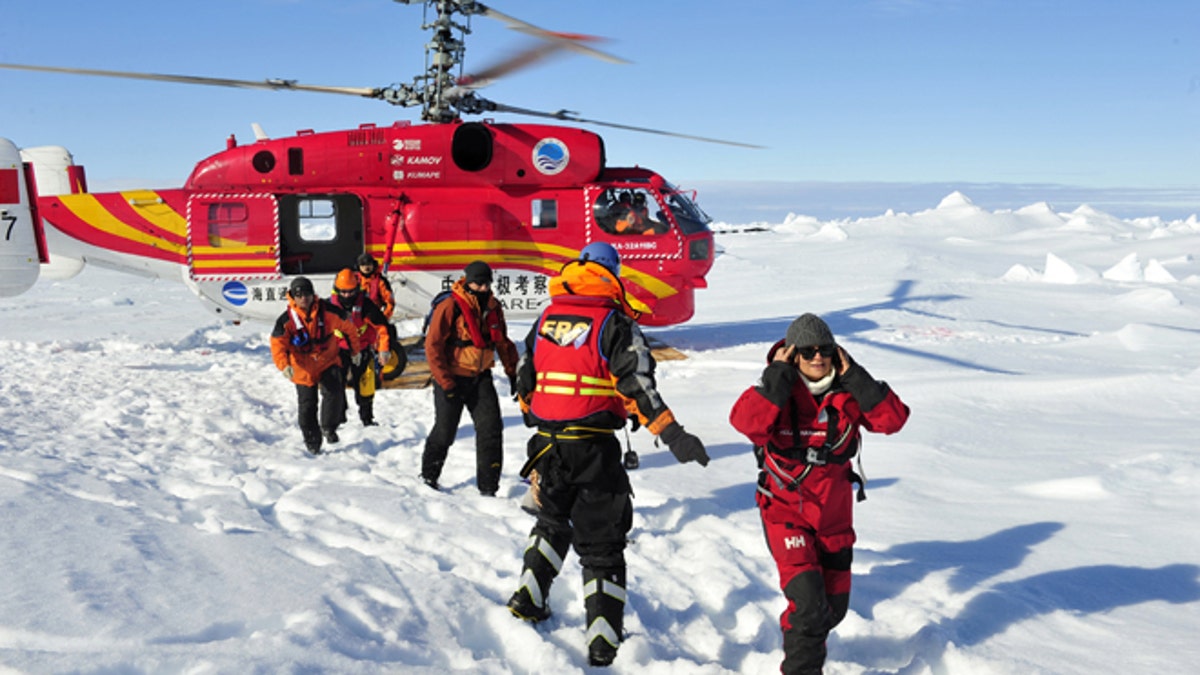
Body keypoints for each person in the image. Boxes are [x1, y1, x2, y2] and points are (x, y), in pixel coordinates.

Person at [506, 242, 710, 667]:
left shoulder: (546, 317)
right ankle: (603, 639)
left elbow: (526, 376)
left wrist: (536, 414)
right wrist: (672, 434)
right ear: (612, 274)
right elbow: (637, 386)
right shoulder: (615, 322)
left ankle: (528, 597)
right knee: (601, 544)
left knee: (551, 522)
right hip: (593, 448)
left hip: (545, 446)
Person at [729, 313, 910, 675]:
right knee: (810, 608)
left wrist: (857, 377)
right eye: (808, 351)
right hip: (785, 513)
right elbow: (747, 424)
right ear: (793, 354)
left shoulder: (847, 393)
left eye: (824, 349)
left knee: (831, 610)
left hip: (834, 519)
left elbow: (893, 421)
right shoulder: (776, 391)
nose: (817, 357)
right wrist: (776, 379)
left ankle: (802, 636)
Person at [420, 260, 520, 495]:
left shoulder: (494, 307)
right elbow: (433, 346)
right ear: (468, 282)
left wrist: (512, 371)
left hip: (480, 377)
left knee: (491, 429)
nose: (484, 288)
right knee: (445, 431)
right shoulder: (450, 306)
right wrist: (445, 382)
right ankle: (429, 475)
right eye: (479, 284)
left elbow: (503, 343)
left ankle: (488, 487)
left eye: (487, 284)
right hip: (452, 378)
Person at [270, 276, 360, 454]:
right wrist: (283, 366)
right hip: (302, 367)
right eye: (300, 295)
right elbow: (277, 344)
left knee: (334, 392)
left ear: (313, 295)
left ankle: (329, 427)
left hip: (328, 360)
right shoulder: (286, 321)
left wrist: (355, 351)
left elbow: (349, 329)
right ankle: (312, 442)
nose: (304, 298)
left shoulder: (329, 312)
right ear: (293, 297)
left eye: (308, 294)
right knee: (307, 405)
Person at [329, 268, 392, 427]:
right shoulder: (329, 306)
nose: (347, 296)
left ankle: (367, 418)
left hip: (362, 348)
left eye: (350, 292)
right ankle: (339, 418)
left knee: (365, 383)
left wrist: (383, 350)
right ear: (337, 290)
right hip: (338, 350)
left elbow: (382, 329)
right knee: (336, 384)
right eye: (343, 292)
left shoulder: (366, 306)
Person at [357, 252, 407, 382]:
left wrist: (383, 318)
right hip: (357, 320)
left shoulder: (380, 282)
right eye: (363, 265)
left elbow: (389, 302)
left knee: (381, 344)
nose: (366, 268)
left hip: (375, 320)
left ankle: (379, 374)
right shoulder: (355, 281)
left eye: (368, 265)